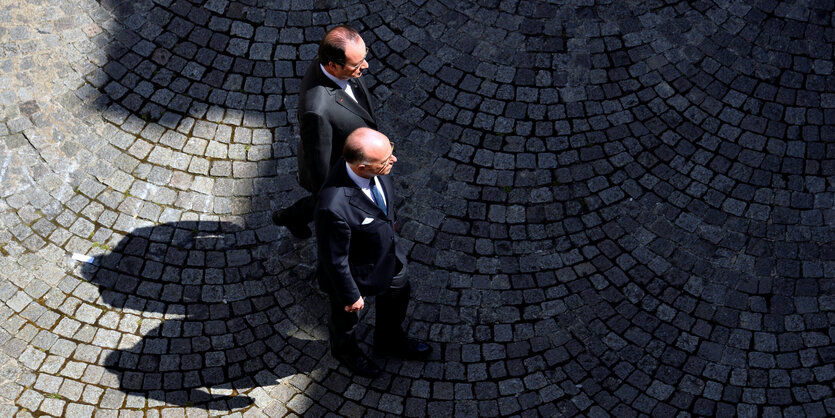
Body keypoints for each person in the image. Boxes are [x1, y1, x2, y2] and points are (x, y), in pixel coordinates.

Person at [315, 127, 431, 377]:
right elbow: (335, 258)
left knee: (399, 294)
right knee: (346, 321)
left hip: (388, 258)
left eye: (391, 150)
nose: (394, 160)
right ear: (361, 168)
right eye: (385, 160)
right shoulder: (333, 206)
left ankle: (388, 341)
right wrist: (350, 295)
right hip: (357, 272)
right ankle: (345, 351)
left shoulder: (377, 165)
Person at [273, 25, 378, 238]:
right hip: (340, 168)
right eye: (357, 64)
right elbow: (320, 169)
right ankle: (290, 216)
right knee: (324, 200)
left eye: (364, 58)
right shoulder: (317, 112)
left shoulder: (336, 65)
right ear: (332, 66)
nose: (366, 66)